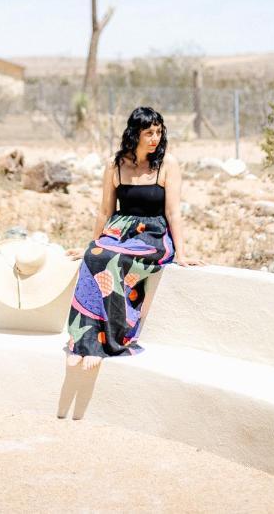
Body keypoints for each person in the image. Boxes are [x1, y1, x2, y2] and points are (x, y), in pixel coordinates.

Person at [64, 105, 202, 371]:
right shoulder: (115, 165)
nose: (155, 138)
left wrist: (181, 254)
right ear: (135, 134)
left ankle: (110, 342)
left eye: (159, 132)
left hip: (153, 236)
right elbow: (105, 210)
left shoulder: (167, 164)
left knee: (113, 259)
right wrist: (94, 244)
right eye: (149, 133)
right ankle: (83, 342)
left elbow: (173, 212)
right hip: (118, 232)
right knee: (95, 257)